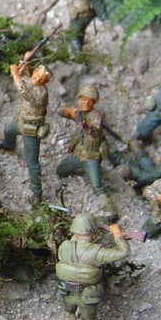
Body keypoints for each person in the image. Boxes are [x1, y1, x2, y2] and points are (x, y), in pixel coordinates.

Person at [55, 213, 130, 320]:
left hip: (68, 290)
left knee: (68, 312)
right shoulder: (97, 251)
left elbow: (69, 251)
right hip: (88, 294)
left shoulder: (64, 246)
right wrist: (118, 236)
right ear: (93, 231)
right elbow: (124, 252)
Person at [57, 83, 115, 219]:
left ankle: (111, 211)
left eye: (90, 101)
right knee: (60, 170)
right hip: (78, 154)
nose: (86, 103)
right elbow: (61, 112)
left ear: (94, 103)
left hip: (91, 157)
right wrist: (69, 112)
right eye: (83, 100)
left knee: (97, 187)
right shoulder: (79, 111)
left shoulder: (96, 116)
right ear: (79, 99)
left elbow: (95, 131)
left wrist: (85, 125)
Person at [0, 61, 52, 203]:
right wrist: (24, 63)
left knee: (32, 162)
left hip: (31, 130)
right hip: (21, 123)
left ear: (45, 82)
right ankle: (9, 144)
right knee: (8, 129)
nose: (37, 79)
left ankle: (37, 192)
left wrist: (15, 74)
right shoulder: (31, 81)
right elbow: (21, 78)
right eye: (36, 75)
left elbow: (24, 92)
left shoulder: (41, 92)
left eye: (41, 79)